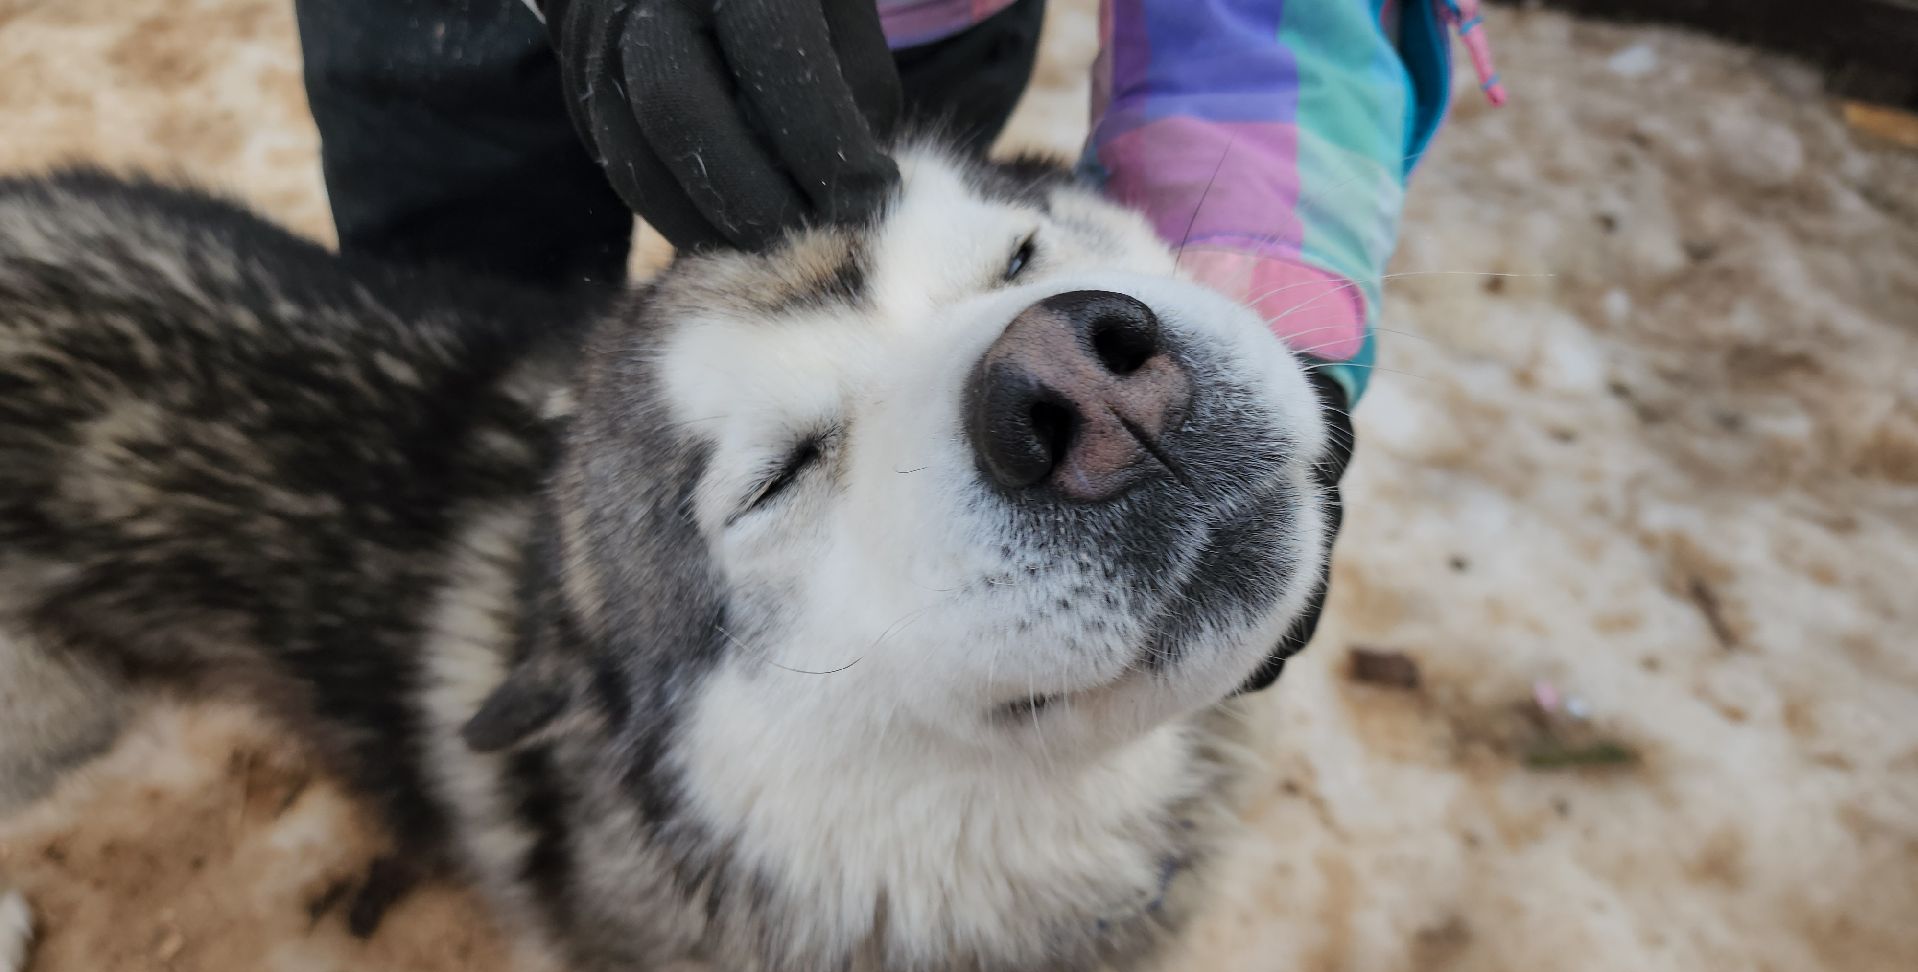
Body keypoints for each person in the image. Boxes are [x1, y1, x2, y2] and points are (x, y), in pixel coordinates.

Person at [292, 0, 1502, 685]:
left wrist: (1261, 300)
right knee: (461, 382)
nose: (1099, 390)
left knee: (906, 292)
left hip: (912, 28)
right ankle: (498, 693)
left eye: (1034, 272)